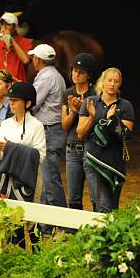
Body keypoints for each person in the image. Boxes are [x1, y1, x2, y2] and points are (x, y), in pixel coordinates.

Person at [77, 67, 135, 213]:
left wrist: (113, 119)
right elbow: (80, 134)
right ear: (103, 82)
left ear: (120, 84)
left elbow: (127, 135)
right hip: (93, 160)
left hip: (114, 163)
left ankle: (105, 235)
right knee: (104, 206)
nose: (112, 84)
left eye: (116, 81)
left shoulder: (125, 106)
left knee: (112, 207)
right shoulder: (90, 102)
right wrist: (91, 117)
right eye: (109, 80)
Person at [0, 82, 46, 201]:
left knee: (29, 217)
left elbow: (40, 156)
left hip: (27, 179)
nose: (11, 103)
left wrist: (10, 149)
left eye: (16, 100)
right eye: (11, 100)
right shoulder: (5, 124)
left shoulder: (37, 125)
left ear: (28, 103)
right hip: (6, 181)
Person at [30, 44, 68, 213]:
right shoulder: (55, 75)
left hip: (50, 131)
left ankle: (64, 224)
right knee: (47, 180)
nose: (32, 60)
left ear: (39, 59)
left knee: (50, 179)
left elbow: (33, 102)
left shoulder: (46, 77)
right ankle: (47, 226)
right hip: (53, 130)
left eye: (33, 57)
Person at [61, 53, 98, 210]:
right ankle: (73, 232)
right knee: (74, 197)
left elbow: (100, 121)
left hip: (91, 147)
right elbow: (64, 125)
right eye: (74, 70)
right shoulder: (67, 93)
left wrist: (87, 110)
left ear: (89, 75)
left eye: (81, 72)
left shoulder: (96, 93)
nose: (76, 74)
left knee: (96, 195)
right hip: (72, 148)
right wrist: (75, 111)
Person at [0, 12, 33, 82]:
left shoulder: (26, 42)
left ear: (15, 27)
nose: (4, 28)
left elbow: (26, 60)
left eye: (8, 24)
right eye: (2, 24)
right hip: (1, 89)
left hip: (17, 88)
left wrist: (12, 40)